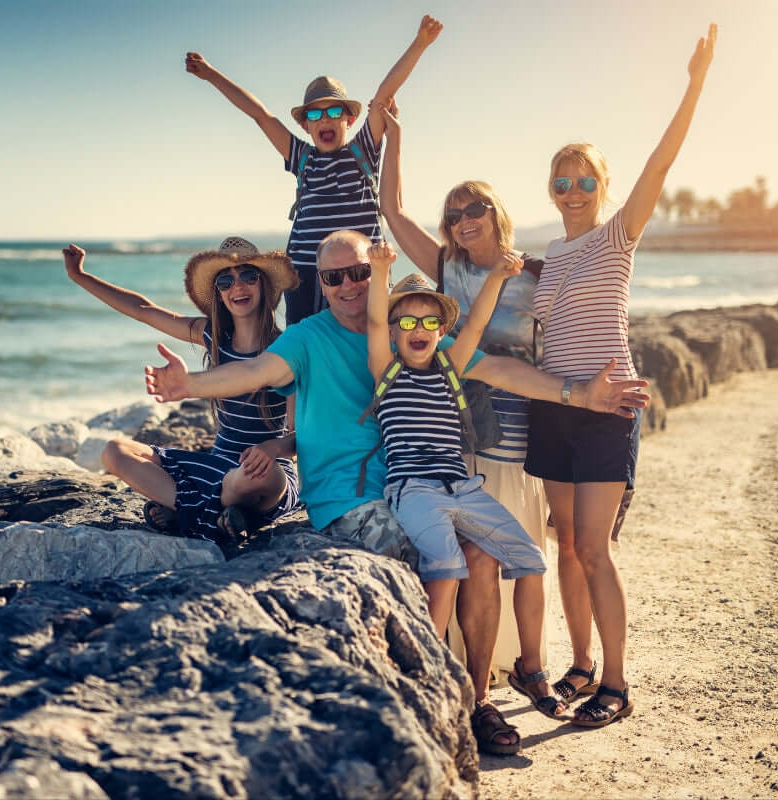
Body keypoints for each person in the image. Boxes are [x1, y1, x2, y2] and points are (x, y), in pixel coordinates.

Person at [144, 228, 650, 754]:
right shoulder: (307, 337)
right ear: (322, 283)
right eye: (334, 276)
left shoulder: (411, 332)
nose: (348, 285)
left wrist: (578, 393)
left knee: (480, 554)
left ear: (375, 271)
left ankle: (474, 699)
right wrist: (191, 385)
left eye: (360, 272)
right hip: (350, 499)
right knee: (434, 558)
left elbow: (496, 368)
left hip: (419, 487)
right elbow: (255, 371)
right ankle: (433, 693)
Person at [527, 24, 718, 728]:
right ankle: (578, 663)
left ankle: (617, 681)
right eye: (561, 181)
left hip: (608, 408)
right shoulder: (548, 249)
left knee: (598, 549)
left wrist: (693, 85)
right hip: (556, 407)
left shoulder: (617, 235)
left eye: (585, 181)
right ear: (550, 189)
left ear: (602, 187)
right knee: (564, 541)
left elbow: (662, 165)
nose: (572, 190)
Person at [377, 103, 567, 719]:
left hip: (519, 429)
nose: (462, 221)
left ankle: (533, 666)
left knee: (527, 555)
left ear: (498, 213)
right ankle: (473, 679)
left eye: (474, 209)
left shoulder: (536, 276)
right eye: (452, 214)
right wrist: (395, 136)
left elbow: (570, 340)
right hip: (459, 433)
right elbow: (391, 211)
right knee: (478, 558)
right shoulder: (445, 270)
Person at [184, 15, 443, 324]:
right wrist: (212, 75)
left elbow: (382, 98)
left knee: (365, 349)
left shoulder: (362, 152)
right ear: (306, 125)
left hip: (361, 272)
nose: (325, 120)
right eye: (315, 115)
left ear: (348, 120)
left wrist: (420, 43)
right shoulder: (302, 157)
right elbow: (261, 116)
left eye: (334, 111)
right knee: (305, 352)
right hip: (305, 275)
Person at [364, 241, 546, 657]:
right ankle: (432, 665)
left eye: (429, 322)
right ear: (394, 332)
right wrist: (379, 272)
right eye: (406, 323)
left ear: (442, 332)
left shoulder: (451, 370)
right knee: (446, 567)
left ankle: (531, 667)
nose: (419, 330)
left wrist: (498, 276)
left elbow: (477, 325)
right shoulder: (385, 373)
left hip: (463, 488)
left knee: (530, 559)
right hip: (412, 489)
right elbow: (373, 322)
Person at [63, 237, 301, 546]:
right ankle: (220, 516)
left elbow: (297, 437)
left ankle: (188, 511)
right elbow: (143, 309)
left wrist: (272, 450)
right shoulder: (214, 337)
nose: (237, 287)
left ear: (265, 285)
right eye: (225, 281)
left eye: (249, 276)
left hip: (263, 472)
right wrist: (80, 276)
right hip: (217, 465)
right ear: (218, 293)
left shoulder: (286, 350)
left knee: (262, 478)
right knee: (114, 452)